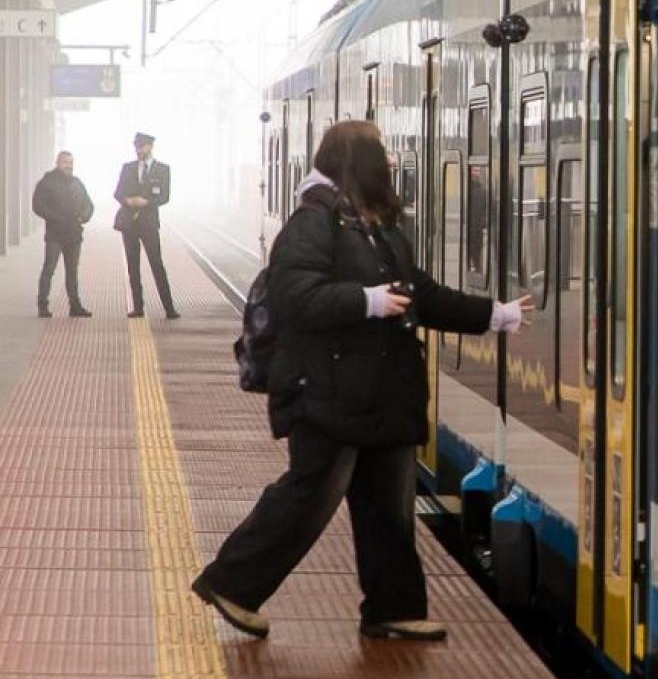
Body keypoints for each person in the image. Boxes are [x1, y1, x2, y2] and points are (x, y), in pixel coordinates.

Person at [191, 120, 532, 642]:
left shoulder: (377, 224)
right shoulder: (314, 221)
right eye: (379, 151)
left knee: (389, 506)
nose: (391, 161)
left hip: (381, 392)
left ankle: (393, 608)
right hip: (325, 389)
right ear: (353, 159)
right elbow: (294, 299)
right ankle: (233, 584)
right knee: (310, 495)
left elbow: (420, 291)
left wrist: (492, 314)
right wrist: (365, 301)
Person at [113, 132, 178, 319]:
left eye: (142, 147)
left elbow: (164, 196)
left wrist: (147, 202)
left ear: (150, 147)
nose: (138, 150)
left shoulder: (163, 169)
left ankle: (169, 308)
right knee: (133, 266)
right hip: (129, 224)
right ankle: (138, 307)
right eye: (136, 147)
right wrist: (128, 200)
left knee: (157, 264)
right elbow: (117, 193)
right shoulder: (128, 168)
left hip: (149, 224)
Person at [32, 151, 94, 318]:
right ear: (57, 163)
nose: (69, 165)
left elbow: (89, 204)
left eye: (71, 162)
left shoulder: (77, 183)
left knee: (72, 271)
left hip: (74, 235)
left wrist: (84, 216)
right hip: (55, 235)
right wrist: (57, 219)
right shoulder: (47, 182)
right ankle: (42, 306)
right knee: (49, 269)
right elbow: (38, 206)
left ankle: (75, 306)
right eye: (66, 162)